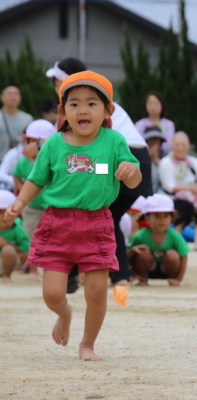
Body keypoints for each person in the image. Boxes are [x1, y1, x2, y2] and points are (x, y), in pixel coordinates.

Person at [4, 71, 142, 361]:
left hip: (97, 224)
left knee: (96, 292)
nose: (83, 109)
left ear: (108, 111)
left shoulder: (114, 141)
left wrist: (131, 171)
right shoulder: (53, 145)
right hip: (57, 223)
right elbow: (36, 179)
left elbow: (134, 179)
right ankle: (64, 314)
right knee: (52, 294)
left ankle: (88, 344)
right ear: (62, 111)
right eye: (74, 103)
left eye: (92, 103)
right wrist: (19, 201)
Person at [46, 57, 153, 294]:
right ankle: (110, 276)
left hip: (115, 164)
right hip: (139, 162)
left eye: (56, 81)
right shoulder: (100, 102)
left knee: (96, 215)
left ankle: (111, 276)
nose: (55, 86)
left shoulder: (75, 111)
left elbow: (76, 155)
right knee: (104, 217)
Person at [159, 132, 197, 250]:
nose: (180, 148)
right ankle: (175, 239)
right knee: (185, 208)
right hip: (173, 198)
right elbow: (170, 187)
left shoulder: (194, 161)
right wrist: (190, 189)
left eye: (183, 145)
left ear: (188, 146)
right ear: (172, 146)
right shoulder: (166, 162)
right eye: (177, 145)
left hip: (194, 196)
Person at [128, 194, 189, 287]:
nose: (162, 220)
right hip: (147, 268)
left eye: (166, 216)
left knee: (172, 254)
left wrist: (178, 278)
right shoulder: (140, 236)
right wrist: (135, 273)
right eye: (157, 216)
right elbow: (131, 257)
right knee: (142, 253)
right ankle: (143, 278)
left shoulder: (175, 235)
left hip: (167, 269)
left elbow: (184, 257)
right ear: (147, 218)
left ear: (171, 218)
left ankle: (172, 279)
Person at [12, 120, 55, 241]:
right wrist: (22, 191)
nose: (29, 146)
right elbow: (16, 175)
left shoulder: (54, 160)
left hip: (52, 208)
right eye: (28, 141)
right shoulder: (23, 161)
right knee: (29, 239)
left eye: (34, 142)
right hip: (32, 208)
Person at [0, 190, 30, 282]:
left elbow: (26, 249)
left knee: (8, 250)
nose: (3, 216)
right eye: (0, 212)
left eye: (7, 212)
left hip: (9, 262)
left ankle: (7, 276)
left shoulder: (18, 229)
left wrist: (6, 244)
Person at [0, 85, 33, 162]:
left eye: (16, 93)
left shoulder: (28, 119)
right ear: (2, 97)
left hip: (20, 163)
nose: (13, 96)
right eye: (9, 93)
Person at [143, 126, 166, 194]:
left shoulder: (167, 155)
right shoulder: (138, 156)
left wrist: (156, 160)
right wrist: (147, 159)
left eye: (156, 141)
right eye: (151, 141)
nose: (153, 144)